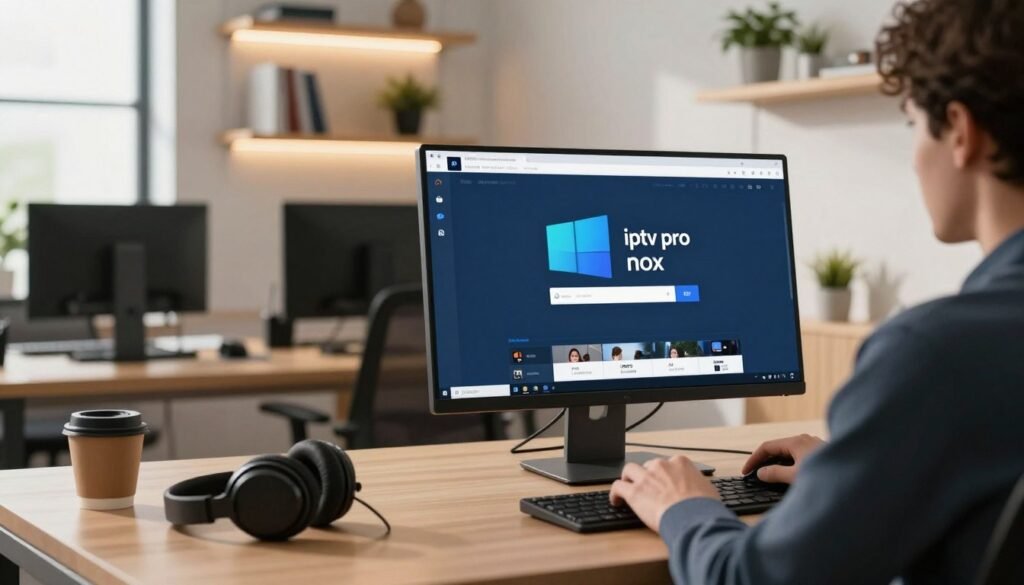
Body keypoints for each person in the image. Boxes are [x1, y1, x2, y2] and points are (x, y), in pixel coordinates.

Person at [609, 1, 1024, 583]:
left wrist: (683, 505)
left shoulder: (934, 356)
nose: (914, 159)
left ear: (960, 131)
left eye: (911, 125)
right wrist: (857, 476)